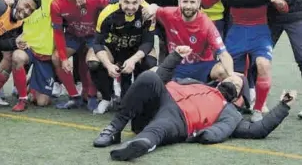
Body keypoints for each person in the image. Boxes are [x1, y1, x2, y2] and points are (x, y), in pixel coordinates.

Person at [93, 48, 297, 162]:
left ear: (239, 98)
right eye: (230, 78)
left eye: (237, 83)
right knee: (149, 77)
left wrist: (283, 106)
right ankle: (114, 129)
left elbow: (258, 129)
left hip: (180, 120)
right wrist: (175, 57)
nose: (231, 81)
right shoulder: (196, 83)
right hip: (160, 101)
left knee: (160, 128)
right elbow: (162, 78)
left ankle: (139, 146)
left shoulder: (232, 114)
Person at [197, 0, 289, 121]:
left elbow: (284, 8)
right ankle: (228, 104)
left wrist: (278, 1)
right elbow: (207, 3)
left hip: (259, 33)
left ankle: (258, 108)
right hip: (236, 32)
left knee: (263, 65)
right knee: (225, 71)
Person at [89, 0, 157, 114]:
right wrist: (108, 65)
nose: (130, 7)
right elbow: (97, 43)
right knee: (93, 61)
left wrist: (133, 60)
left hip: (135, 50)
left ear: (140, 0)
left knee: (151, 63)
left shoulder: (147, 12)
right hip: (113, 49)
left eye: (134, 3)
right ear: (120, 0)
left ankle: (139, 99)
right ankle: (107, 98)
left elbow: (149, 42)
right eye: (126, 2)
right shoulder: (107, 13)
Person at [144, 0, 234, 83]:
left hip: (202, 66)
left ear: (199, 3)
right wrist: (151, 7)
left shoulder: (206, 24)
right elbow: (154, 8)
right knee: (149, 76)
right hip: (176, 65)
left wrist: (232, 75)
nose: (188, 6)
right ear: (179, 3)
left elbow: (223, 54)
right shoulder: (168, 14)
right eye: (185, 2)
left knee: (222, 71)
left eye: (192, 2)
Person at [50, 0, 110, 111]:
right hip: (74, 36)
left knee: (92, 61)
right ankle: (74, 97)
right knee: (56, 58)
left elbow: (115, 2)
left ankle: (91, 96)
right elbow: (57, 32)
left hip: (93, 36)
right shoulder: (56, 3)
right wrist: (64, 58)